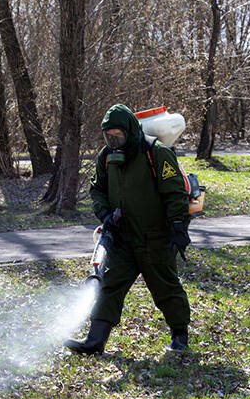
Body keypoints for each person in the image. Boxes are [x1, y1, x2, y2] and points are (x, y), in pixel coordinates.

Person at [65, 104, 192, 355]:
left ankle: (180, 335)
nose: (113, 141)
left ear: (130, 131)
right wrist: (104, 213)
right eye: (108, 136)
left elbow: (175, 192)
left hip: (155, 237)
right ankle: (95, 340)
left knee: (165, 287)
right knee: (109, 286)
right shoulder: (106, 156)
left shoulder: (155, 152)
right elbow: (97, 189)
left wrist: (178, 226)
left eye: (118, 135)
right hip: (122, 238)